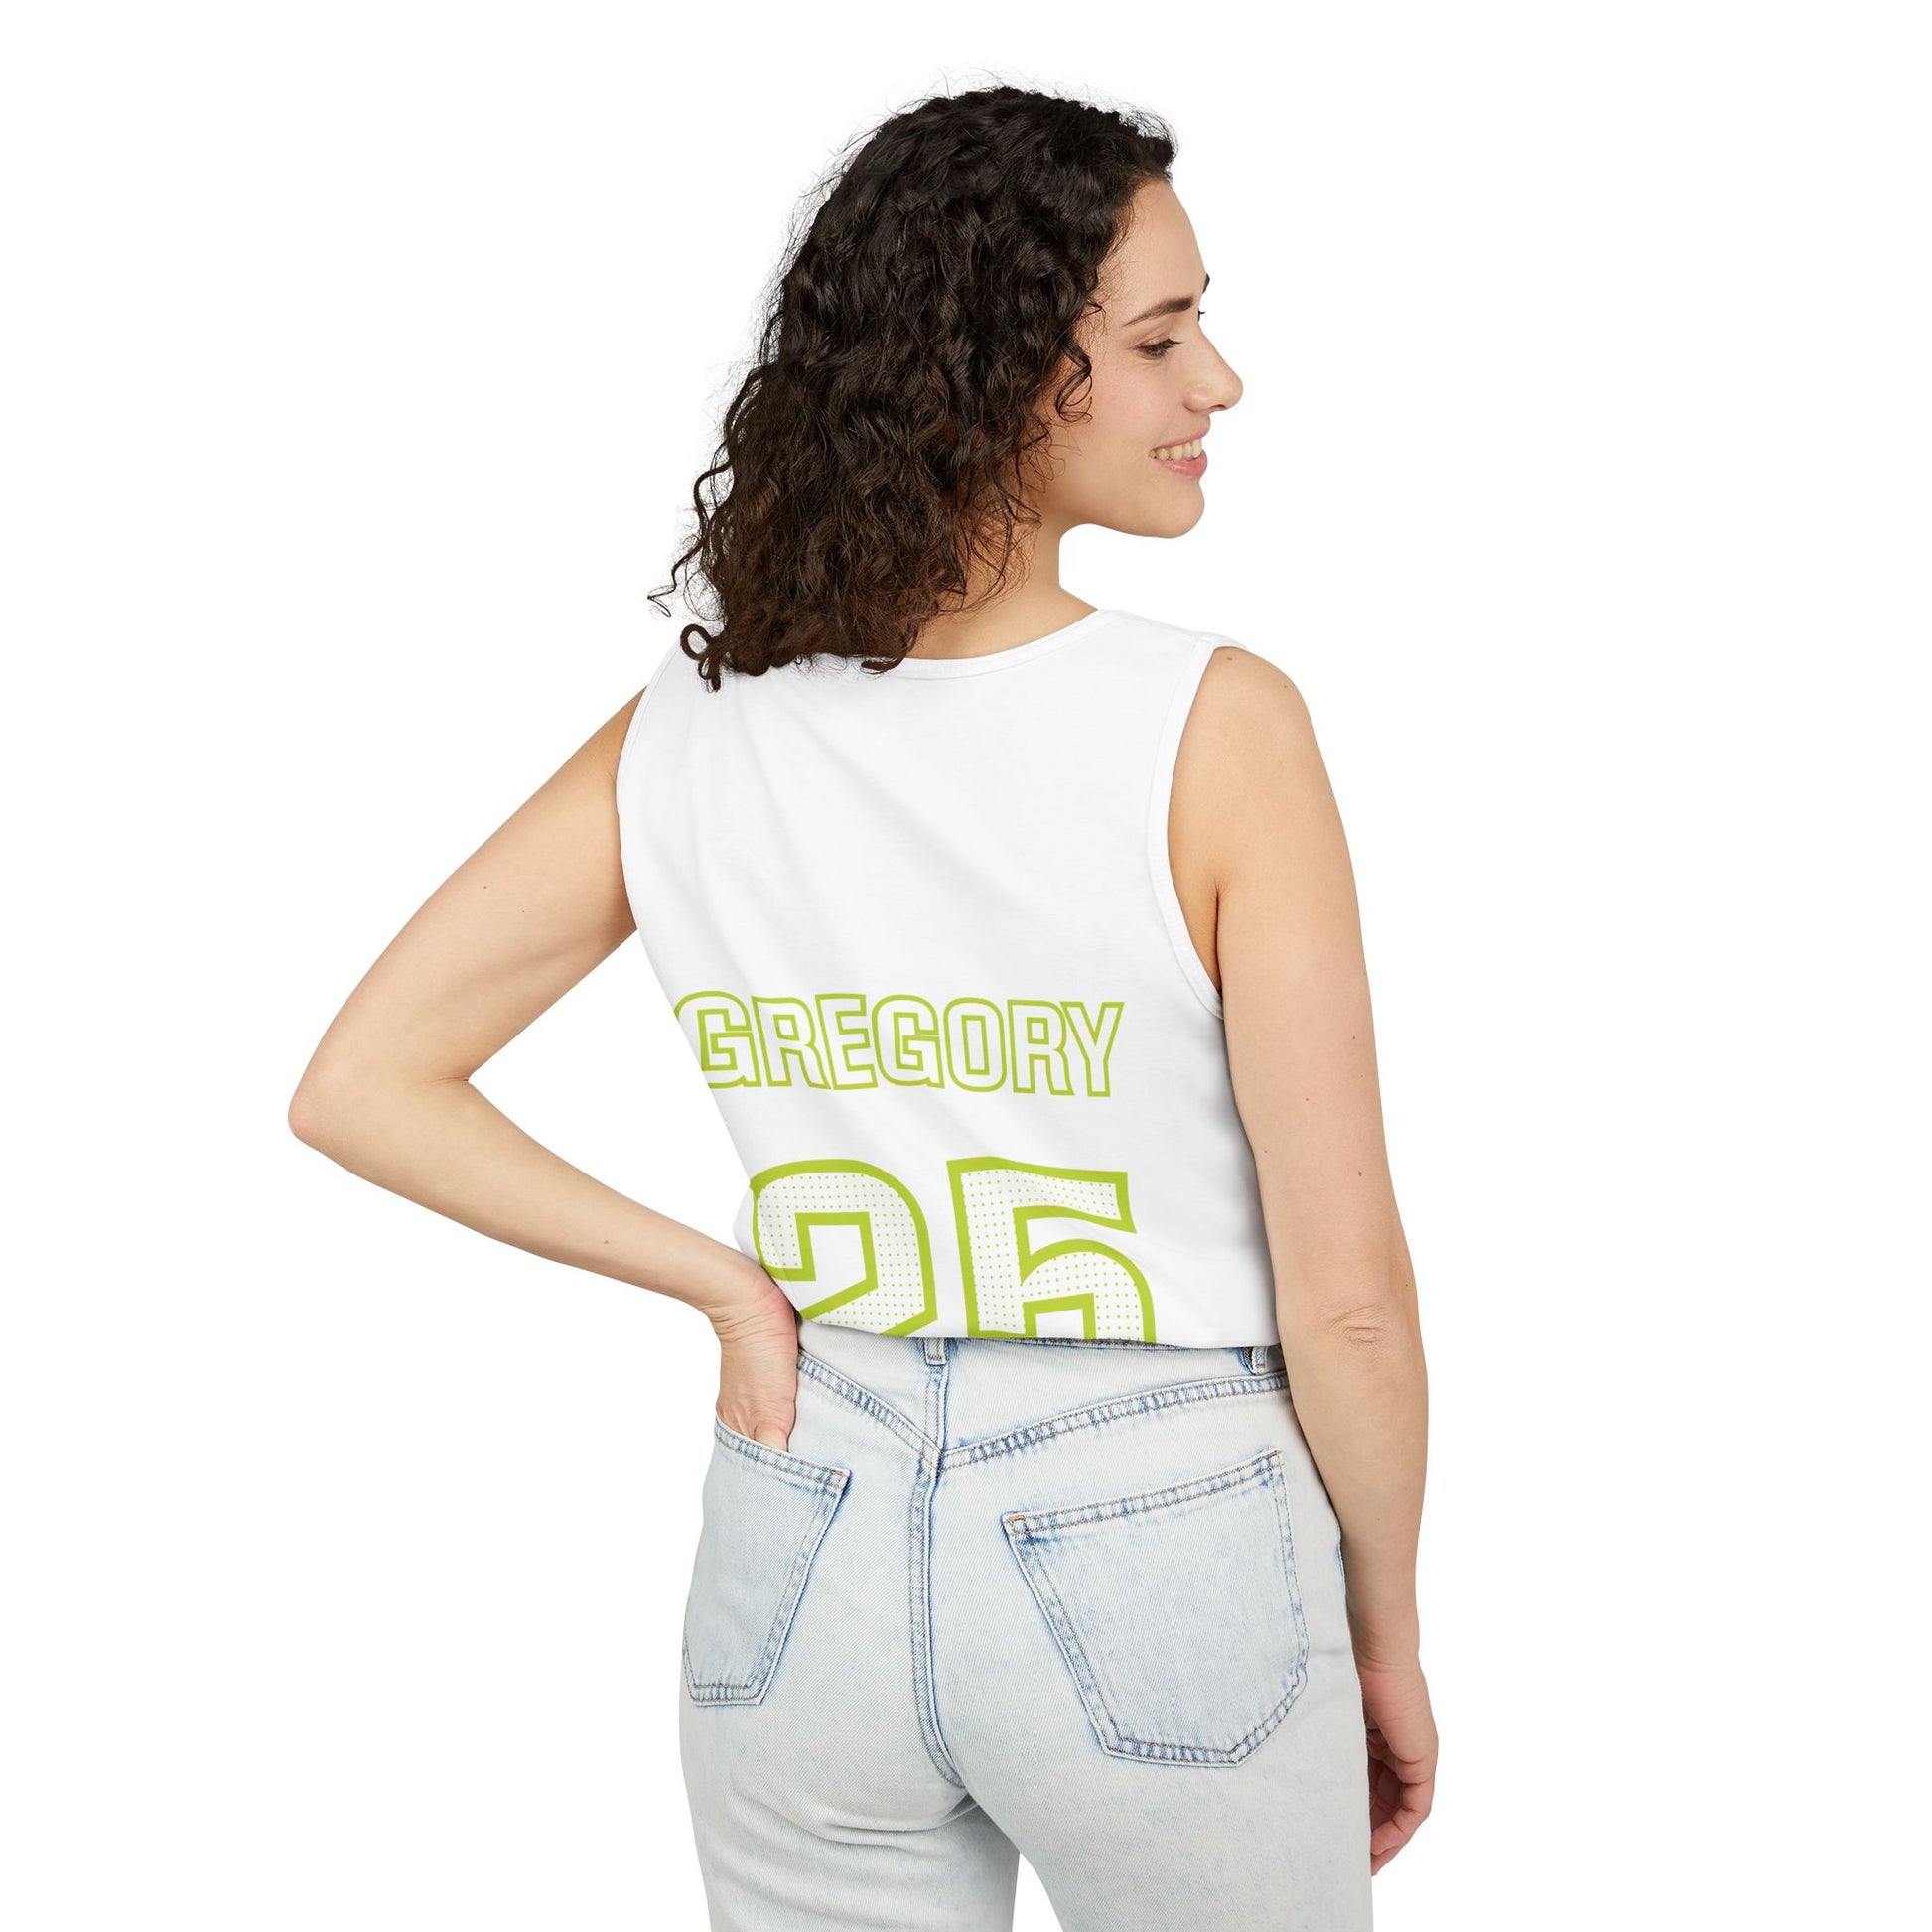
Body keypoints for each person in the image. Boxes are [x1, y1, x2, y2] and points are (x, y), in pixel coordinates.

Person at [291, 83, 1435, 1932]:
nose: (1215, 381)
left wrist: (733, 1287)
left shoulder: (687, 732)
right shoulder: (1215, 726)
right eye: (1159, 339)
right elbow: (1350, 1299)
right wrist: (1378, 1626)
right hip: (1164, 1523)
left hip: (800, 1517)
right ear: (999, 368)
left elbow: (363, 1079)